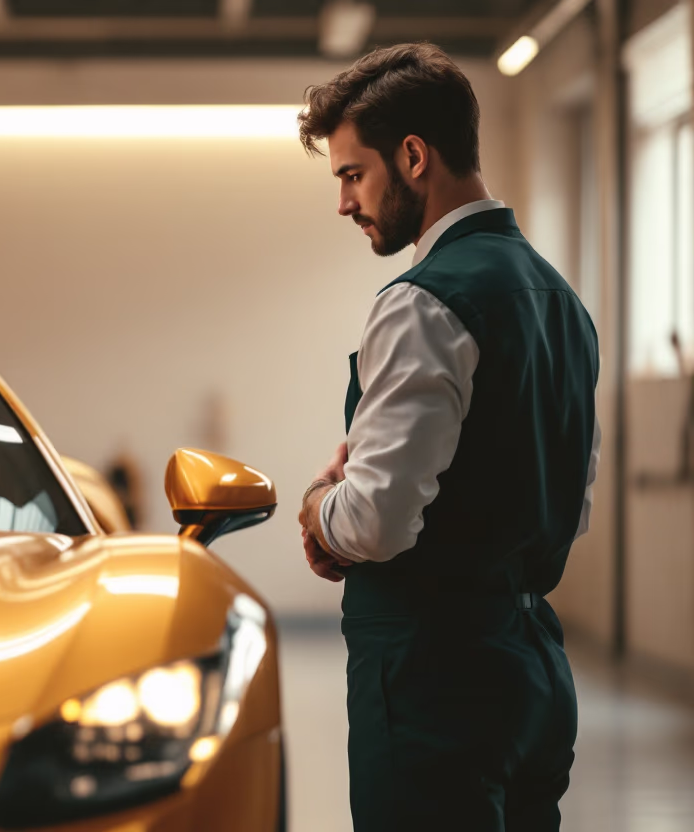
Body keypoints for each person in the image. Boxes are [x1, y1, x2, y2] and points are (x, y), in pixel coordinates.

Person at [294, 43, 600, 831]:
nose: (343, 203)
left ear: (413, 157)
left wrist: (322, 505)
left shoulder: (422, 302)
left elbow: (376, 523)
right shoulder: (561, 301)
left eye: (351, 174)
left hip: (434, 681)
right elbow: (565, 496)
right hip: (533, 669)